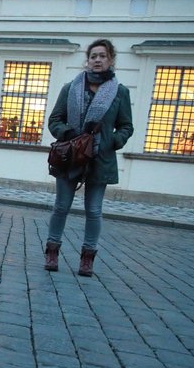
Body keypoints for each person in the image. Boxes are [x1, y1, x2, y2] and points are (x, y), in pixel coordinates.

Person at [44, 39, 133, 277]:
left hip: (99, 159)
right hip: (70, 156)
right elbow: (54, 120)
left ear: (110, 59)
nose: (97, 60)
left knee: (94, 210)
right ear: (88, 59)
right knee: (61, 207)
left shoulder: (120, 92)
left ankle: (87, 258)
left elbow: (126, 126)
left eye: (102, 56)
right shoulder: (70, 88)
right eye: (93, 56)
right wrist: (69, 133)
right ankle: (52, 252)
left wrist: (111, 141)